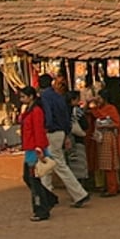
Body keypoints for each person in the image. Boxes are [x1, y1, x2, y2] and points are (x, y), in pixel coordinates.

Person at [37, 74, 90, 207]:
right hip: (60, 132)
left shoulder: (45, 97)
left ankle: (79, 194)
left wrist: (45, 128)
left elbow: (48, 116)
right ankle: (47, 194)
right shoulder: (59, 97)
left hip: (51, 132)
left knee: (57, 164)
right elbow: (66, 119)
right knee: (47, 163)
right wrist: (66, 134)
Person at [18, 85, 58, 222]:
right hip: (30, 148)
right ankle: (49, 199)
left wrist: (39, 148)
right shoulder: (30, 110)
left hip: (35, 148)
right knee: (29, 178)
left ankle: (41, 209)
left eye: (23, 96)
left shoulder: (36, 111)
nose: (21, 99)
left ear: (31, 97)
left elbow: (39, 131)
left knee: (33, 180)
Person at [89, 90, 120, 196]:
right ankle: (111, 186)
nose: (98, 100)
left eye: (99, 98)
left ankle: (112, 188)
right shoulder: (98, 109)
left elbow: (117, 123)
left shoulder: (111, 109)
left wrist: (104, 125)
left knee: (110, 165)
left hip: (108, 137)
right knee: (105, 165)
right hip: (101, 138)